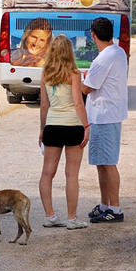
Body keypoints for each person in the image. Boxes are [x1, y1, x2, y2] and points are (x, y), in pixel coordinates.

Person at [38, 35, 90, 230]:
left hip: (53, 125)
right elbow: (78, 102)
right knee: (71, 174)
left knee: (47, 173)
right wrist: (86, 126)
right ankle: (71, 218)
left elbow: (44, 106)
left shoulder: (45, 74)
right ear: (70, 51)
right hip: (73, 126)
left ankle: (50, 215)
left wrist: (42, 130)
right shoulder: (74, 73)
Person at [81, 17, 129, 223]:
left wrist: (77, 78)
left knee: (108, 163)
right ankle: (104, 204)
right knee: (102, 162)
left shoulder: (103, 59)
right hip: (108, 113)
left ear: (93, 35)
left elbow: (86, 88)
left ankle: (115, 209)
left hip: (103, 115)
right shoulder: (118, 52)